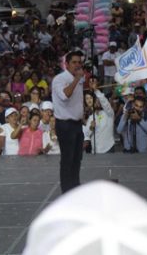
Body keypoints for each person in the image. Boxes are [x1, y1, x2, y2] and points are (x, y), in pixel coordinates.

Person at [52, 51, 85, 193]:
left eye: (79, 62)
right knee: (67, 159)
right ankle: (67, 190)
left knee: (77, 158)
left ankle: (75, 187)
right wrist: (77, 79)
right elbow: (65, 95)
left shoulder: (79, 79)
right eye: (74, 62)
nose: (77, 65)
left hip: (77, 123)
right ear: (66, 64)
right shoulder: (59, 79)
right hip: (65, 124)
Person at [83, 78, 115, 154]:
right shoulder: (91, 117)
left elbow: (105, 103)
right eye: (87, 99)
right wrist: (91, 127)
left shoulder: (108, 113)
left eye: (92, 98)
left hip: (108, 149)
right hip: (95, 151)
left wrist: (96, 91)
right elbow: (87, 133)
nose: (90, 100)